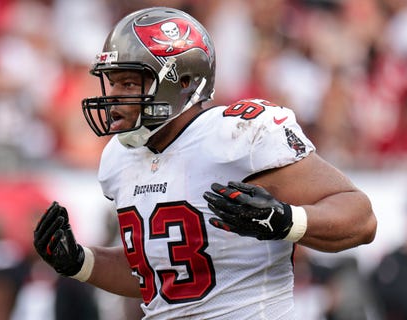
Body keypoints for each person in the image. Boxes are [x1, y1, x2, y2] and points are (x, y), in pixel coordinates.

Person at [33, 7, 377, 319]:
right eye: (113, 83)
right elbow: (158, 273)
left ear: (182, 82)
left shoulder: (238, 134)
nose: (113, 98)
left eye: (128, 83)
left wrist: (286, 220)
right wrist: (81, 261)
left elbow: (360, 217)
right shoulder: (119, 159)